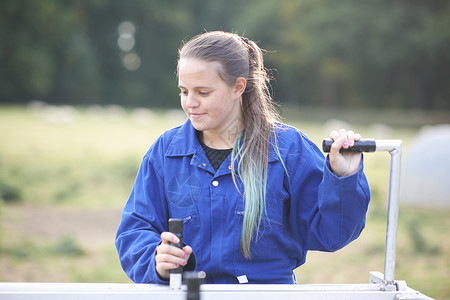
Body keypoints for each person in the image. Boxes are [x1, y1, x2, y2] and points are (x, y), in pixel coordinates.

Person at [115, 31, 370, 284]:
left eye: (203, 92)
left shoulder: (290, 150)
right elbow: (134, 230)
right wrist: (157, 262)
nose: (190, 103)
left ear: (238, 87)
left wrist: (343, 178)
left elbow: (331, 234)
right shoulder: (164, 152)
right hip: (189, 293)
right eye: (184, 91)